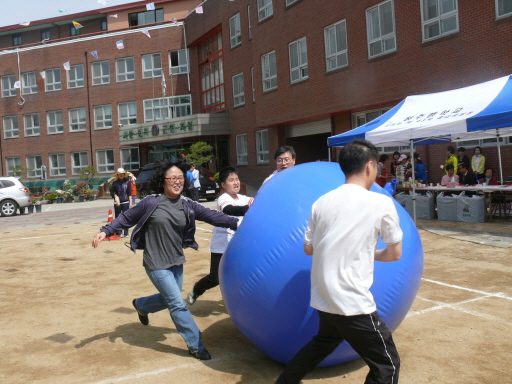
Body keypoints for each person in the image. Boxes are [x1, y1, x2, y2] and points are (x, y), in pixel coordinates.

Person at [275, 139, 402, 384]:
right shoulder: (380, 202)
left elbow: (308, 249)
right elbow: (395, 254)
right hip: (351, 300)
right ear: (369, 167)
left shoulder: (321, 202)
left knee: (323, 343)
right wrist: (371, 253)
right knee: (387, 364)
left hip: (323, 294)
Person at [91, 160, 239, 361]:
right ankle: (195, 344)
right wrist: (106, 231)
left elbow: (212, 216)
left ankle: (142, 305)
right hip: (155, 262)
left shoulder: (187, 204)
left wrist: (237, 223)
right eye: (173, 178)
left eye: (180, 178)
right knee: (177, 304)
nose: (177, 181)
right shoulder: (151, 202)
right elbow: (127, 217)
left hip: (176, 260)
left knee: (168, 299)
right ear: (163, 181)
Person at [187, 166, 254, 305]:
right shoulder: (223, 198)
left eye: (237, 179)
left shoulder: (243, 198)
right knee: (215, 277)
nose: (235, 182)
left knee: (240, 273)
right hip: (222, 243)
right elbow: (230, 210)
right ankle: (196, 289)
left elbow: (255, 201)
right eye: (231, 180)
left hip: (239, 243)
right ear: (223, 184)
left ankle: (234, 299)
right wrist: (249, 208)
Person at [110, 168, 132, 238]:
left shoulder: (127, 182)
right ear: (118, 175)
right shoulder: (115, 183)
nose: (121, 175)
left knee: (126, 217)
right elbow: (111, 192)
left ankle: (126, 232)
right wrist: (114, 195)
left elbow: (129, 193)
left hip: (126, 202)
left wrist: (130, 203)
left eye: (122, 174)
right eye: (119, 174)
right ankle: (119, 232)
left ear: (124, 174)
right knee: (118, 218)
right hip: (118, 203)